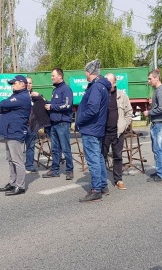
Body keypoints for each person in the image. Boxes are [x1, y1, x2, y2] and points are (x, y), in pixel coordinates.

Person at [76, 59, 111, 202]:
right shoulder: (102, 86)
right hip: (97, 128)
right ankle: (102, 185)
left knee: (93, 159)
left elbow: (92, 109)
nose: (85, 73)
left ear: (89, 72)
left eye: (85, 71)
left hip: (90, 128)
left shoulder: (96, 87)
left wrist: (79, 120)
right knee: (98, 157)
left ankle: (96, 189)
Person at [0, 75, 31, 196]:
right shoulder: (15, 95)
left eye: (14, 83)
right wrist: (5, 106)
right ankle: (12, 182)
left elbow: (4, 104)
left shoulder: (23, 97)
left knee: (17, 160)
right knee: (10, 160)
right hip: (9, 131)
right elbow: (1, 106)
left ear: (22, 84)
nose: (12, 85)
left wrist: (5, 106)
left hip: (16, 132)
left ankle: (20, 186)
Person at [102, 73, 133, 190]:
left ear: (114, 83)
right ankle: (102, 180)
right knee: (102, 157)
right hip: (104, 132)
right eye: (106, 81)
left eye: (109, 81)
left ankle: (118, 180)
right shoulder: (102, 94)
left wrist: (124, 125)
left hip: (118, 132)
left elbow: (129, 112)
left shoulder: (122, 96)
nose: (107, 83)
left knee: (118, 157)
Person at [42, 68, 74, 180]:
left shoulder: (66, 89)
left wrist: (52, 107)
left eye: (53, 75)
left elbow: (67, 105)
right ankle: (55, 170)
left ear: (60, 76)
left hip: (63, 123)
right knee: (55, 149)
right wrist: (44, 100)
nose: (52, 77)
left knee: (65, 148)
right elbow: (54, 104)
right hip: (54, 124)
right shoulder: (55, 90)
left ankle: (69, 170)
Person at [143, 69, 162, 183]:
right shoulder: (159, 91)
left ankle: (161, 174)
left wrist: (149, 112)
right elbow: (160, 106)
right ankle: (160, 170)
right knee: (156, 149)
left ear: (156, 78)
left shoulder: (160, 91)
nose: (149, 81)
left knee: (158, 150)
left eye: (150, 78)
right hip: (158, 123)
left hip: (159, 124)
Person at [25, 76, 50, 174]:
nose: (29, 85)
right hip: (22, 124)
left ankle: (29, 165)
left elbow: (45, 103)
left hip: (32, 125)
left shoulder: (35, 95)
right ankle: (18, 165)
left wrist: (39, 96)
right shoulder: (20, 95)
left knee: (31, 145)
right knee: (19, 147)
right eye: (27, 83)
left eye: (30, 83)